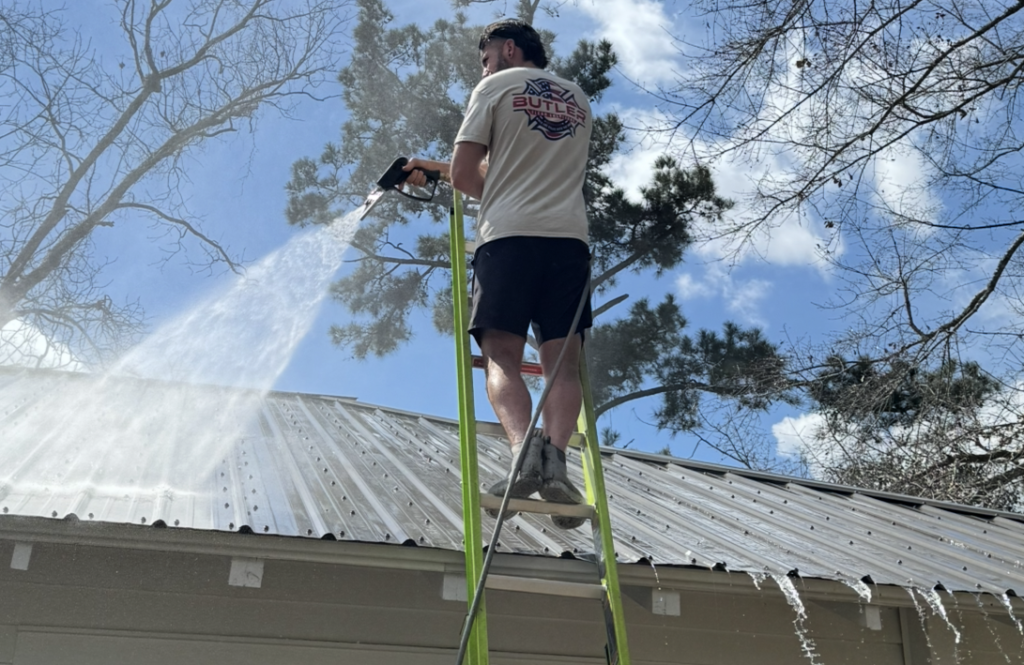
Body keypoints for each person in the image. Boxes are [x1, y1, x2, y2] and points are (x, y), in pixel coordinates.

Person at [403, 19, 592, 529]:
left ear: (507, 49)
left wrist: (442, 173)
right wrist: (435, 165)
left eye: (485, 56)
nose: (483, 66)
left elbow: (470, 177)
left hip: (509, 239)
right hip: (570, 242)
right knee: (562, 364)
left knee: (502, 355)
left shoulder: (493, 86)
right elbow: (525, 165)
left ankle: (521, 454)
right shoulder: (577, 99)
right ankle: (555, 461)